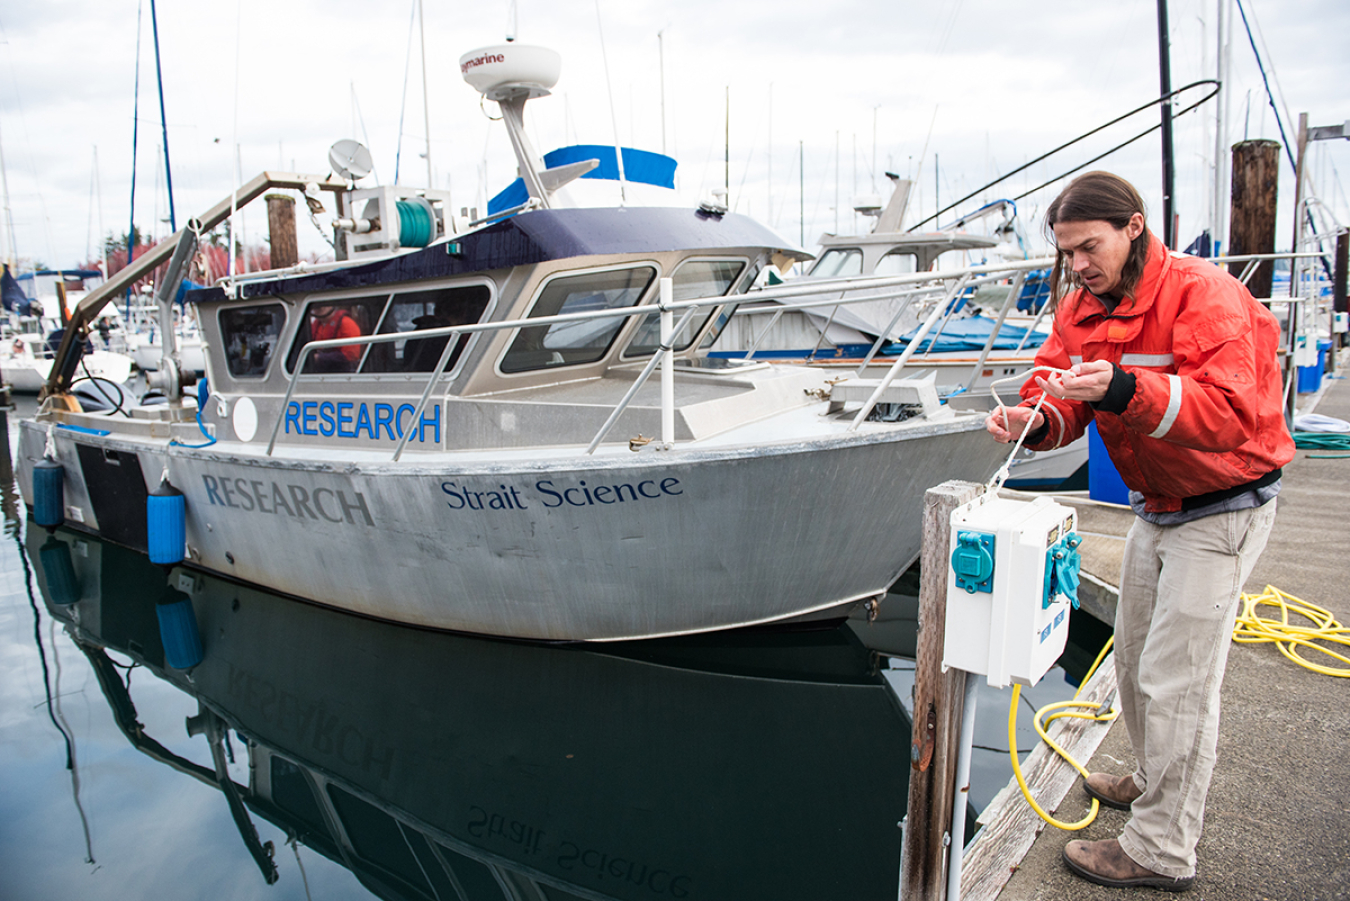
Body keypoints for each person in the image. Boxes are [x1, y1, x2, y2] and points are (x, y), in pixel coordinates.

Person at [985, 171, 1294, 892]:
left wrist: (1123, 388)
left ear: (1132, 226)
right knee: (1133, 668)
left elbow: (1231, 413)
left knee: (1178, 681)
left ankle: (1161, 847)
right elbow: (1057, 392)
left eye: (1088, 247)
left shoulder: (1202, 294)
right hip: (1157, 503)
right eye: (1067, 253)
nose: (1079, 265)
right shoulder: (1079, 306)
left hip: (1224, 504)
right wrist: (1031, 424)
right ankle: (1155, 782)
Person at [308, 303, 364, 372]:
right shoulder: (315, 325)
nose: (320, 308)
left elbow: (350, 356)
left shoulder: (347, 323)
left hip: (343, 371)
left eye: (323, 305)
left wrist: (320, 358)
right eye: (316, 307)